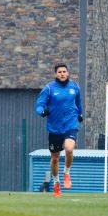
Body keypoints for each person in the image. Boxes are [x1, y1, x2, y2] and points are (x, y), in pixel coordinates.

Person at [35, 63, 83, 197]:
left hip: (70, 124)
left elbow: (79, 103)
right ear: (55, 74)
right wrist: (42, 111)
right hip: (54, 128)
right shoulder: (49, 88)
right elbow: (39, 105)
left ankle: (66, 172)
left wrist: (80, 114)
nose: (62, 74)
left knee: (69, 149)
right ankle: (56, 183)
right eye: (59, 72)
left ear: (68, 73)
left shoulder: (74, 87)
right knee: (55, 158)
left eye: (64, 71)